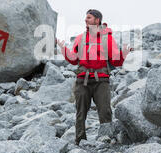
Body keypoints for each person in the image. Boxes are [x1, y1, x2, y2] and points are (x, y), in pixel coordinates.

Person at [56, 9, 133, 145]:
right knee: (81, 113)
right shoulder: (80, 38)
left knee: (105, 111)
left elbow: (116, 61)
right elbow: (74, 59)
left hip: (101, 81)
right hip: (82, 81)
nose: (86, 20)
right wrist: (63, 49)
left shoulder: (107, 38)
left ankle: (106, 138)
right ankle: (80, 140)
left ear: (97, 20)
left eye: (89, 18)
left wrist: (124, 53)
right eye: (86, 18)